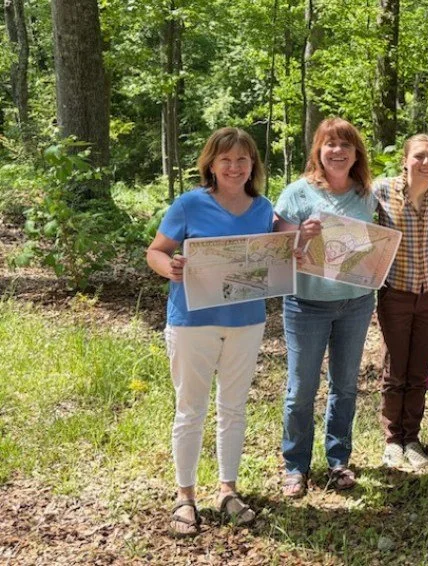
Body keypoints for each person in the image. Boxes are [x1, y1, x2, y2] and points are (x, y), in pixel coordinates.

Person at [146, 127, 272, 536]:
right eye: (226, 160)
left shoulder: (263, 208)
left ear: (252, 164)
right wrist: (171, 268)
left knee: (234, 408)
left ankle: (227, 490)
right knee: (190, 409)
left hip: (247, 322)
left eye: (242, 160)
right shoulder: (188, 204)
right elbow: (156, 251)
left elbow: (275, 260)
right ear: (211, 165)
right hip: (192, 323)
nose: (234, 167)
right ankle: (185, 496)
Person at [274, 117, 375, 498]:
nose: (337, 151)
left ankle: (338, 461)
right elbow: (279, 252)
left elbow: (371, 247)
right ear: (318, 149)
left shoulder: (366, 194)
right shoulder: (297, 194)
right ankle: (295, 466)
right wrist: (301, 236)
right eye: (330, 144)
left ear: (355, 154)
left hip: (356, 302)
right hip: (306, 305)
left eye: (345, 145)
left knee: (345, 385)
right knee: (301, 389)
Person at [373, 134, 428, 470]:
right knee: (396, 370)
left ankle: (412, 437)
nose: (426, 163)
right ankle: (393, 439)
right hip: (396, 292)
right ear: (405, 160)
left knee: (419, 372)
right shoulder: (381, 191)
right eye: (420, 156)